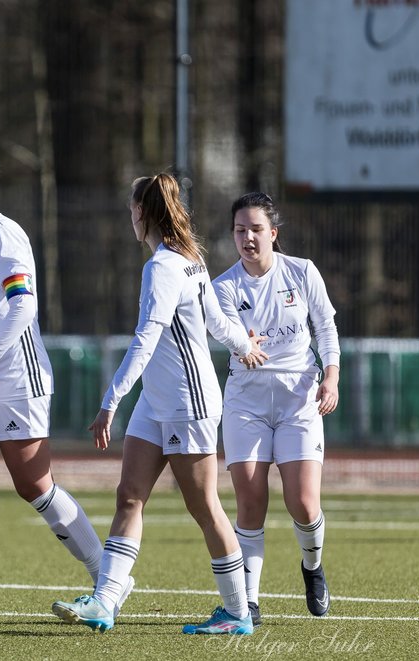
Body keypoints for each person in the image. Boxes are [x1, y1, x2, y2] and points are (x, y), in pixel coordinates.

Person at [52, 173, 267, 635]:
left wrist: (110, 400)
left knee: (204, 506)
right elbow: (218, 321)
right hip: (157, 398)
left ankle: (236, 612)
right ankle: (105, 602)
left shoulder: (167, 266)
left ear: (142, 213)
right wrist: (242, 343)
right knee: (129, 495)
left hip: (187, 402)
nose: (129, 216)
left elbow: (148, 337)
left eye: (132, 208)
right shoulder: (187, 259)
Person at [0, 151, 110, 624]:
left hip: (15, 379)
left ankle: (106, 576)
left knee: (33, 486)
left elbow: (22, 309)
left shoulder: (3, 234)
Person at [211, 191, 340, 623]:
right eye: (239, 230)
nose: (248, 238)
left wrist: (331, 377)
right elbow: (231, 336)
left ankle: (313, 568)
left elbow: (325, 328)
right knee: (250, 501)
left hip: (298, 398)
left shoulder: (302, 273)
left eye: (256, 230)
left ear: (273, 233)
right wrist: (244, 345)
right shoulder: (223, 287)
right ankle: (249, 602)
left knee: (303, 503)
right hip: (245, 401)